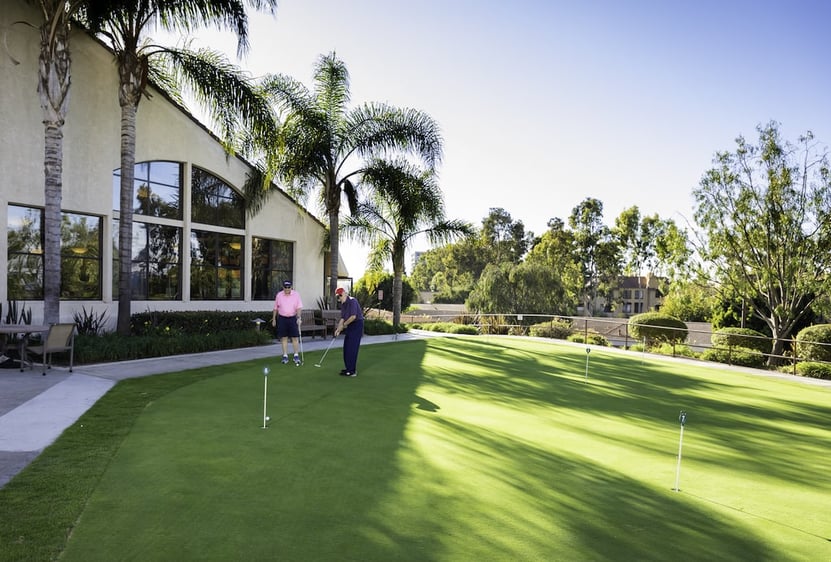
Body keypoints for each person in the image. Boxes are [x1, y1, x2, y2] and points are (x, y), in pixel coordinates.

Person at [333, 287, 363, 377]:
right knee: (346, 347)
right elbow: (342, 318)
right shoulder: (343, 304)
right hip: (350, 325)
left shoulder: (353, 301)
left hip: (357, 324)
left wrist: (344, 325)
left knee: (352, 348)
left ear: (345, 293)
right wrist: (338, 329)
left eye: (341, 295)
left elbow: (353, 316)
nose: (340, 298)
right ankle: (348, 368)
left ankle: (352, 371)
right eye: (338, 297)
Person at [271, 280, 303, 365]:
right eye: (286, 287)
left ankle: (296, 355)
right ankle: (285, 356)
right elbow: (275, 308)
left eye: (289, 287)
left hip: (292, 318)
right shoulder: (279, 295)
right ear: (283, 287)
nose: (287, 289)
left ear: (291, 287)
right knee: (284, 337)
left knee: (295, 337)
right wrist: (274, 319)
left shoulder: (296, 295)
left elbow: (299, 308)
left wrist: (299, 317)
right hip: (282, 318)